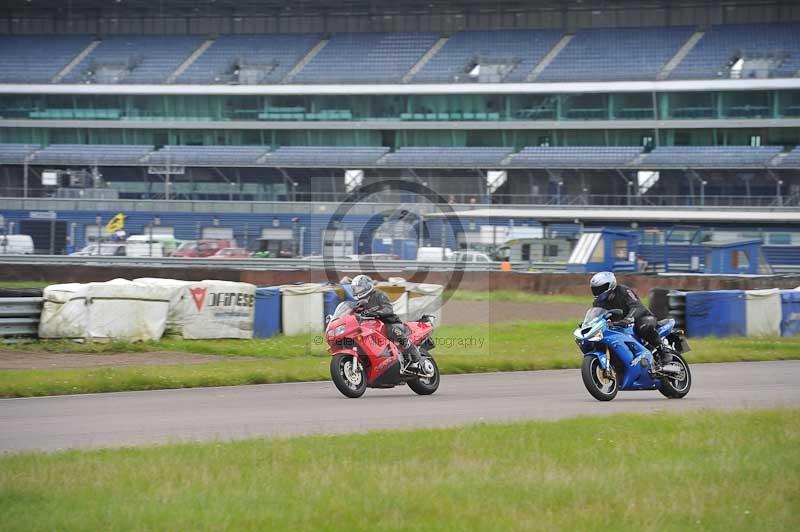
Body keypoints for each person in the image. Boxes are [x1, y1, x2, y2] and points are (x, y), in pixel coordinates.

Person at [589, 271, 673, 365]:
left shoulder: (623, 291)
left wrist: (629, 318)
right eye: (595, 289)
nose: (598, 292)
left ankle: (663, 351)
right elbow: (597, 315)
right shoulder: (598, 302)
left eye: (601, 288)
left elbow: (637, 306)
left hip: (642, 318)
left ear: (610, 285)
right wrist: (590, 324)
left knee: (644, 327)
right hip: (620, 326)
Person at [350, 274, 422, 370]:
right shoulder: (358, 303)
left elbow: (388, 310)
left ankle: (416, 360)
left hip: (390, 323)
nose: (356, 290)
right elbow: (351, 315)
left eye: (359, 288)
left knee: (394, 332)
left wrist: (375, 313)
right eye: (355, 288)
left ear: (366, 286)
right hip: (371, 327)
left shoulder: (379, 295)